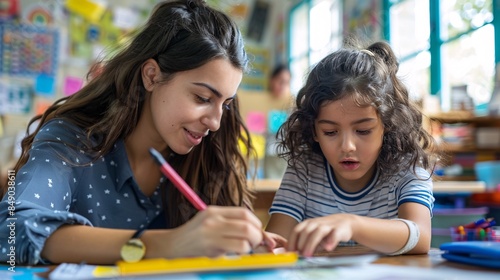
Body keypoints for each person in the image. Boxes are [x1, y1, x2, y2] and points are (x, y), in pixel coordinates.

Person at [0, 0, 282, 265]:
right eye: (202, 98)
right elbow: (12, 229)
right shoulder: (72, 138)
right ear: (151, 76)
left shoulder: (207, 156)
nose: (216, 123)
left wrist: (240, 244)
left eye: (226, 104)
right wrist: (166, 244)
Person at [265, 41, 439, 257]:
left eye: (364, 130)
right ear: (314, 131)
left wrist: (352, 225)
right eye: (330, 132)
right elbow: (276, 244)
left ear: (387, 125)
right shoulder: (306, 168)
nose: (347, 146)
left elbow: (421, 237)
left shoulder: (407, 166)